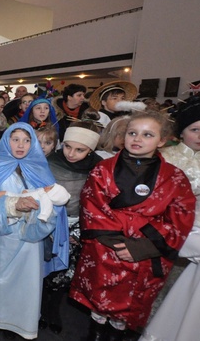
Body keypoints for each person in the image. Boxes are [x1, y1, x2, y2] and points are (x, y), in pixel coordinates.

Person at [69, 111, 196, 341]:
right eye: (132, 133)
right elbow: (92, 206)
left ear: (162, 140)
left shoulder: (175, 177)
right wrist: (118, 243)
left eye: (147, 134)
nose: (137, 139)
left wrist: (141, 247)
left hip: (145, 253)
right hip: (105, 249)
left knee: (125, 311)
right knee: (99, 303)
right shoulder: (102, 170)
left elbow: (181, 217)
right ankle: (95, 333)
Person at [0, 122, 70, 340]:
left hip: (29, 238)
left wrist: (44, 205)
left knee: (23, 285)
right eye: (15, 139)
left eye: (26, 140)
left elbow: (54, 199)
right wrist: (13, 205)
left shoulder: (39, 166)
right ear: (6, 141)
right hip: (0, 238)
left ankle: (18, 323)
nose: (21, 145)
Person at [141, 97, 200, 341]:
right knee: (159, 286)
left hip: (196, 232)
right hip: (169, 228)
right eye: (195, 130)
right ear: (182, 132)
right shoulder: (166, 157)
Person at [41, 117, 102, 335]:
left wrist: (80, 229)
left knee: (64, 271)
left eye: (79, 150)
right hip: (48, 221)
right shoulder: (50, 161)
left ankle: (53, 309)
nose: (71, 154)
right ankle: (39, 307)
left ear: (91, 150)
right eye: (67, 146)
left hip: (76, 225)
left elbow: (97, 202)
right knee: (43, 267)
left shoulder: (98, 168)